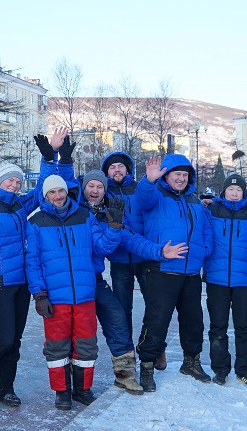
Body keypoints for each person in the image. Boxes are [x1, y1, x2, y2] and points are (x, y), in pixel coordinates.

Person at [0, 131, 61, 408]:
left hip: (22, 283)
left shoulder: (19, 205)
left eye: (18, 181)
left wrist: (47, 158)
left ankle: (5, 389)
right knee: (3, 337)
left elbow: (43, 188)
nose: (15, 185)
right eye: (10, 180)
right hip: (0, 282)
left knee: (14, 340)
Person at [76, 169, 187, 395]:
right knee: (79, 333)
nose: (95, 190)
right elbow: (52, 189)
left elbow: (132, 240)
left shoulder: (107, 216)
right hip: (71, 283)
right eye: (91, 186)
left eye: (99, 187)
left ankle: (125, 375)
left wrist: (159, 251)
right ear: (84, 189)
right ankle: (77, 386)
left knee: (118, 319)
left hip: (94, 280)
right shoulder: (72, 210)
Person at [26, 175, 122, 410]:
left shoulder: (84, 216)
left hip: (84, 295)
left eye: (61, 191)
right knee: (57, 346)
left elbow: (102, 246)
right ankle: (62, 392)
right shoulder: (36, 221)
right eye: (52, 192)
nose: (58, 196)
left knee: (86, 345)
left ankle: (82, 389)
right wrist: (39, 294)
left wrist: (114, 228)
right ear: (45, 195)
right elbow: (32, 260)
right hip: (55, 298)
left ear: (67, 192)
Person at [135, 154, 214, 392]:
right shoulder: (156, 196)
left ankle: (191, 362)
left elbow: (206, 230)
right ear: (166, 176)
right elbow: (143, 197)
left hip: (190, 273)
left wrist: (203, 250)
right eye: (176, 174)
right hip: (162, 271)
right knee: (157, 321)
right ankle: (147, 366)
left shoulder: (194, 201)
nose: (180, 178)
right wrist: (149, 181)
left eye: (184, 174)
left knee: (193, 321)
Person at [100, 152, 161, 368]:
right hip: (119, 261)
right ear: (107, 172)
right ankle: (126, 352)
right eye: (112, 167)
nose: (117, 170)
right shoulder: (103, 192)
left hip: (145, 258)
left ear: (128, 170)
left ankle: (153, 347)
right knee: (122, 309)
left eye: (120, 166)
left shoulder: (140, 189)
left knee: (155, 305)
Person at [204, 174, 247, 387]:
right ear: (224, 192)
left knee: (243, 327)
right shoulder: (211, 210)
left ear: (244, 192)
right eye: (231, 189)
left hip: (244, 280)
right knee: (218, 327)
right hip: (216, 279)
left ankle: (245, 371)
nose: (235, 193)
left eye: (238, 190)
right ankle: (220, 370)